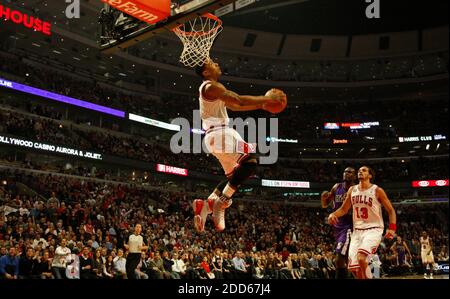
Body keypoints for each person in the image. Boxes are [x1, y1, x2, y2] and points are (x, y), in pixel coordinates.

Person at [192, 58, 286, 232]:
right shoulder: (211, 86)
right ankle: (222, 202)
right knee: (250, 162)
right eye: (212, 63)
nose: (217, 63)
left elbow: (234, 106)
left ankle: (206, 205)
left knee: (234, 177)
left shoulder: (214, 90)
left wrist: (263, 105)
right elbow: (238, 99)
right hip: (221, 134)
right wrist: (265, 98)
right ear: (205, 72)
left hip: (215, 136)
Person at [328, 166, 397, 279]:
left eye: (364, 170)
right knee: (354, 269)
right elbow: (344, 209)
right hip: (357, 231)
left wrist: (392, 228)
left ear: (370, 175)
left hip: (373, 229)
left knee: (361, 258)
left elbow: (391, 210)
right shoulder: (352, 190)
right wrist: (333, 214)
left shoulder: (377, 190)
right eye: (359, 170)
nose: (360, 171)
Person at [321, 167, 356, 279]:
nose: (346, 173)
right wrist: (323, 197)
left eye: (350, 172)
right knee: (347, 259)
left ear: (354, 176)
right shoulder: (337, 187)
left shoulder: (356, 189)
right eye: (345, 172)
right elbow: (325, 204)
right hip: (338, 227)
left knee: (339, 258)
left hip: (349, 225)